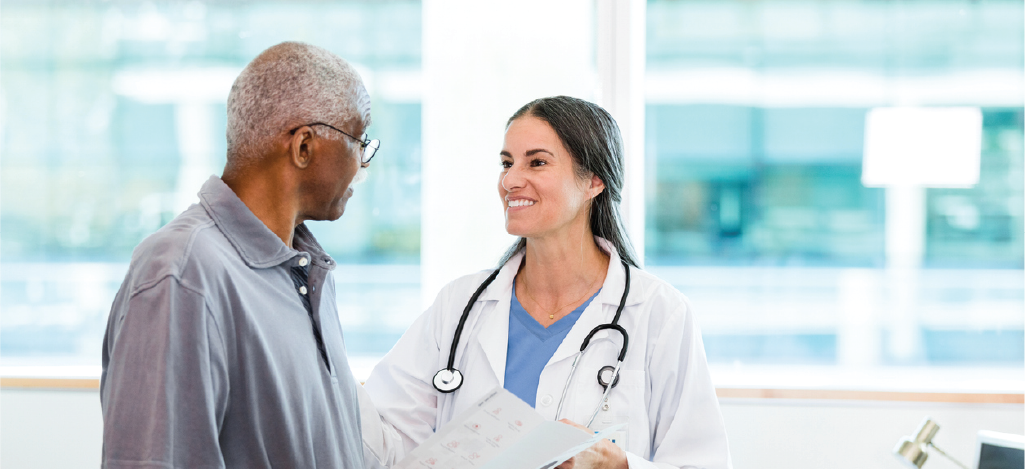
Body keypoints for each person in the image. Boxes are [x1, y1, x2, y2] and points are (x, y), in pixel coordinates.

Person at [358, 96, 731, 469]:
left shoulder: (658, 313)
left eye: (536, 162)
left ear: (595, 181)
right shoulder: (458, 305)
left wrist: (620, 465)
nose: (510, 180)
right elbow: (388, 441)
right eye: (507, 163)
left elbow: (703, 461)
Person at [100, 41, 379, 468]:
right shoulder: (182, 273)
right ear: (304, 146)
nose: (363, 163)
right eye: (359, 141)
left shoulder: (303, 272)